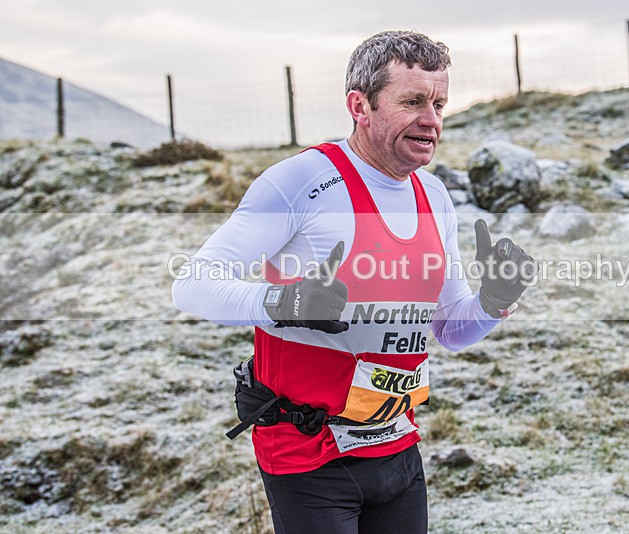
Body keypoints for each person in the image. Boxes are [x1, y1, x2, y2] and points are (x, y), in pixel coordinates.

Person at [172, 30, 535, 534]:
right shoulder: (300, 182)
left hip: (397, 445)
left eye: (439, 103)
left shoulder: (434, 194)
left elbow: (451, 330)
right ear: (359, 105)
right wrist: (287, 301)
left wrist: (492, 302)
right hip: (308, 456)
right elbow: (193, 283)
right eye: (411, 101)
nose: (431, 120)